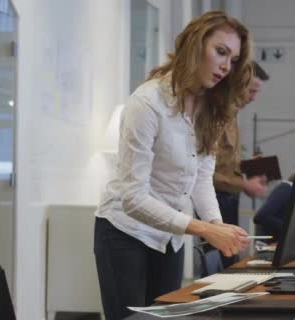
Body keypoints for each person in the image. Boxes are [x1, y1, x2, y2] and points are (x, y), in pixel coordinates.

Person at [93, 11, 253, 320]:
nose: (225, 66)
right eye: (220, 52)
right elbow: (134, 199)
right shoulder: (147, 103)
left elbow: (201, 179)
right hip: (125, 231)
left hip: (169, 237)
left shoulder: (210, 108)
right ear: (196, 45)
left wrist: (219, 229)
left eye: (232, 60)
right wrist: (204, 228)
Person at [212, 61, 269, 268]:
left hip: (228, 199)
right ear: (237, 83)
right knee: (220, 263)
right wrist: (244, 185)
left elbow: (224, 162)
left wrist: (248, 172)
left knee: (230, 260)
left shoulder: (233, 114)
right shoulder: (215, 115)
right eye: (251, 91)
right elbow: (205, 172)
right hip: (214, 201)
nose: (254, 98)